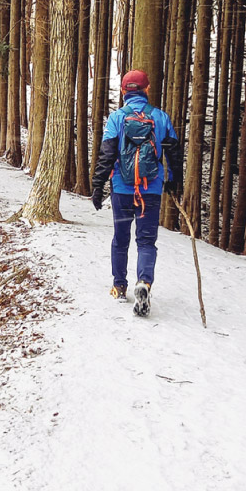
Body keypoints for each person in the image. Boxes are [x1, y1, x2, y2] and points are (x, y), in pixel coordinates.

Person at [90, 69, 182, 317]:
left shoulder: (117, 119)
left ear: (123, 91)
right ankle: (145, 282)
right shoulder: (160, 118)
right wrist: (174, 182)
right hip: (150, 190)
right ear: (147, 90)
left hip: (121, 189)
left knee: (121, 239)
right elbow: (174, 153)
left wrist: (98, 186)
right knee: (146, 241)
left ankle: (119, 286)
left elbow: (107, 154)